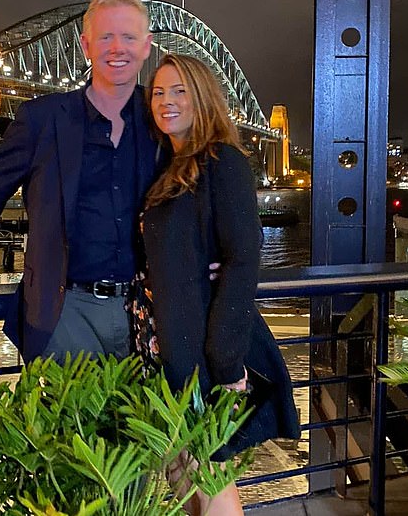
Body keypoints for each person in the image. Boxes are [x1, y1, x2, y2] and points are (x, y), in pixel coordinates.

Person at [0, 0, 163, 362]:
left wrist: (223, 253)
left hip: (152, 311)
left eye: (128, 37)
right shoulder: (40, 119)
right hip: (64, 313)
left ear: (147, 46)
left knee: (152, 422)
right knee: (66, 421)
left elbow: (210, 192)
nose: (117, 48)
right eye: (105, 36)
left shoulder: (165, 119)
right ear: (85, 45)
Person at [138, 53, 300, 515]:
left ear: (204, 96)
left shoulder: (221, 160)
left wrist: (228, 366)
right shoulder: (172, 165)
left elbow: (242, 260)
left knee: (210, 480)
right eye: (158, 92)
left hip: (204, 356)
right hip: (167, 346)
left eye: (179, 91)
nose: (166, 101)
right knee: (184, 476)